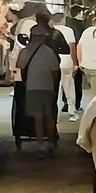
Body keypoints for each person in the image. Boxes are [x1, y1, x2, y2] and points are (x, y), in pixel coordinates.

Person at [15, 9, 68, 155]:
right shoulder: (49, 51)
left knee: (38, 118)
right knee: (49, 117)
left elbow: (21, 69)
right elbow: (55, 72)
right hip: (48, 88)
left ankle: (40, 144)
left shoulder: (24, 52)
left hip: (31, 88)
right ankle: (51, 142)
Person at [76, 14, 96, 119]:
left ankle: (91, 114)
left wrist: (80, 61)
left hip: (86, 66)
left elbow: (79, 46)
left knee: (93, 92)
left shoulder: (86, 31)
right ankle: (92, 116)